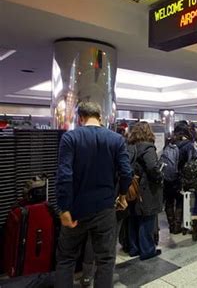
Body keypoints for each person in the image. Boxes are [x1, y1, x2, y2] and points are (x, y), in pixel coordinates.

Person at [55, 102, 132, 288]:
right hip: (105, 209)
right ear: (100, 117)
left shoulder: (70, 138)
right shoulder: (116, 139)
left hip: (76, 209)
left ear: (80, 118)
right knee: (105, 260)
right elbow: (126, 172)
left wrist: (64, 208)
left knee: (66, 259)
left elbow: (64, 176)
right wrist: (122, 196)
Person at [127, 122, 163, 260]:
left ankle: (134, 248)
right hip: (146, 189)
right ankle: (147, 250)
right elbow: (153, 167)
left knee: (133, 218)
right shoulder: (147, 147)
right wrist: (160, 176)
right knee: (147, 218)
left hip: (132, 188)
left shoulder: (129, 146)